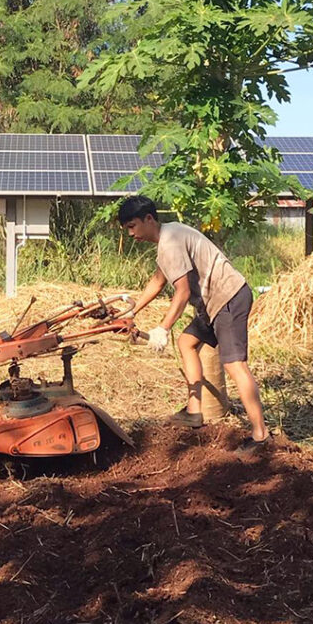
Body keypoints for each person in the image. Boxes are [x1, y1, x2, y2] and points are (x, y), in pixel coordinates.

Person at [117, 194, 270, 453]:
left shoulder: (170, 243)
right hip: (213, 304)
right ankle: (194, 411)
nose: (131, 234)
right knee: (186, 342)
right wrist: (130, 312)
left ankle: (260, 436)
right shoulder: (170, 235)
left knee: (235, 365)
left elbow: (183, 292)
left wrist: (163, 328)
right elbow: (157, 281)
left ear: (149, 219)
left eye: (132, 226)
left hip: (228, 297)